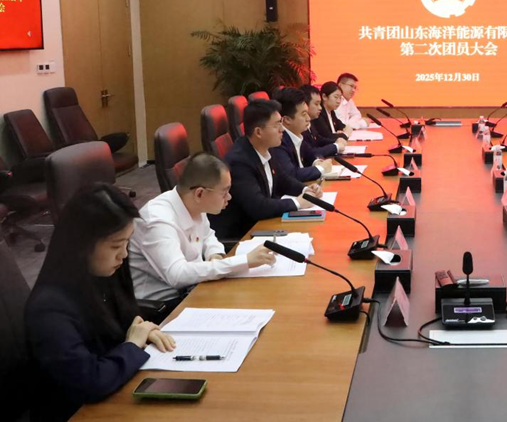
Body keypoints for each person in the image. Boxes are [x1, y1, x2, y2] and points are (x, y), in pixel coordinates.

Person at [25, 184, 177, 421]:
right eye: (116, 245)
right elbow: (89, 382)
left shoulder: (105, 271)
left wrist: (144, 330)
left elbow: (123, 323)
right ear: (81, 245)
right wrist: (132, 345)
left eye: (127, 242)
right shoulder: (50, 309)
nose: (124, 254)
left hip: (116, 392)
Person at [129, 153, 278, 307]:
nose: (229, 197)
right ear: (200, 193)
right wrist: (244, 261)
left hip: (194, 290)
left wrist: (215, 255)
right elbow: (177, 275)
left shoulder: (193, 203)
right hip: (164, 307)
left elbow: (208, 235)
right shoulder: (157, 220)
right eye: (224, 192)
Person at [210, 99, 322, 240]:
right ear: (258, 132)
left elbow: (282, 179)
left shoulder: (266, 147)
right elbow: (258, 206)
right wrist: (298, 203)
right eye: (276, 125)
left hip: (262, 225)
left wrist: (305, 190)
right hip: (242, 235)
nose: (282, 129)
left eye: (281, 123)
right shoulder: (239, 162)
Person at [272, 87, 333, 182]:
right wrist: (321, 168)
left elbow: (311, 152)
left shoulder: (296, 134)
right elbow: (292, 175)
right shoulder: (278, 141)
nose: (308, 118)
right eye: (304, 114)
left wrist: (317, 162)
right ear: (287, 120)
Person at [301, 84, 346, 156]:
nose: (320, 108)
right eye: (316, 104)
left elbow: (319, 139)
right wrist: (335, 146)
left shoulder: (310, 122)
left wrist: (336, 140)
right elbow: (310, 153)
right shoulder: (300, 126)